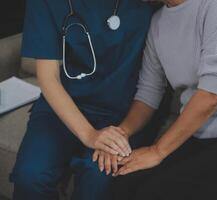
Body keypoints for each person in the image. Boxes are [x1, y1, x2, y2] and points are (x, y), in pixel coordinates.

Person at [94, 0, 217, 199]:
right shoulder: (158, 23)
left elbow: (212, 95)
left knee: (155, 193)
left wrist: (157, 151)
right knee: (123, 183)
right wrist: (121, 134)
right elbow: (148, 91)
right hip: (199, 137)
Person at [9, 0, 162, 199]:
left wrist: (120, 134)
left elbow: (153, 87)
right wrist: (90, 134)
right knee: (30, 176)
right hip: (64, 106)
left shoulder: (148, 4)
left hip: (126, 111)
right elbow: (48, 78)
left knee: (97, 176)